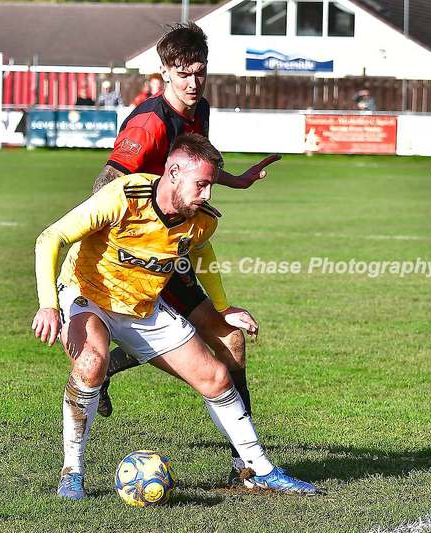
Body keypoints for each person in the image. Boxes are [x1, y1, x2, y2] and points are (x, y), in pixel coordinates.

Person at [32, 133, 324, 500]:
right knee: (91, 363)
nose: (207, 194)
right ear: (173, 173)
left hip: (143, 307)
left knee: (217, 378)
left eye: (210, 185)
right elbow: (50, 238)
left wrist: (223, 307)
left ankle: (261, 470)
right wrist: (49, 304)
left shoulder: (200, 219)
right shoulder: (124, 196)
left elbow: (200, 249)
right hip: (86, 295)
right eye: (201, 184)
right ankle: (72, 472)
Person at [91, 22, 281, 488]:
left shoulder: (202, 109)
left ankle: (244, 466)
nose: (193, 83)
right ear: (164, 72)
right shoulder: (149, 124)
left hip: (172, 249)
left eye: (200, 72)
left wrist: (236, 180)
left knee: (229, 339)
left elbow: (197, 167)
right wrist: (124, 234)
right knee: (205, 338)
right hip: (136, 257)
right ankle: (249, 465)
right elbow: (105, 184)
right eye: (183, 73)